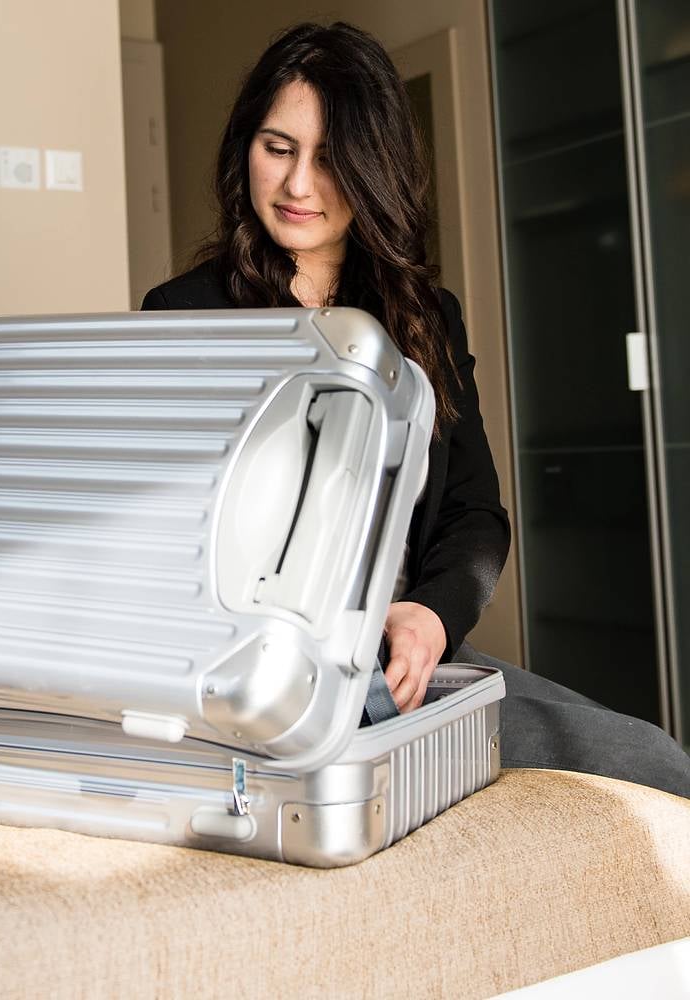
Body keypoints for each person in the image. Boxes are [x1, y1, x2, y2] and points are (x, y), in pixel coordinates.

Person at [142, 22, 690, 797]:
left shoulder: (425, 315)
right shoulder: (184, 314)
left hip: (399, 654)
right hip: (259, 671)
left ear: (375, 168)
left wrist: (429, 617)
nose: (299, 185)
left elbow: (474, 512)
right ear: (245, 150)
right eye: (278, 148)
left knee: (655, 761)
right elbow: (171, 531)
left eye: (331, 158)